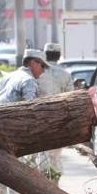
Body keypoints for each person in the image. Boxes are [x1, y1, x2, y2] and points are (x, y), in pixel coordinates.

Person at [35, 43, 75, 181]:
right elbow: (71, 98)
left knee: (42, 155)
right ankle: (54, 187)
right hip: (58, 122)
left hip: (38, 120)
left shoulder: (38, 73)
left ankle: (43, 188)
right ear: (59, 56)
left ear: (45, 55)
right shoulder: (66, 75)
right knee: (55, 156)